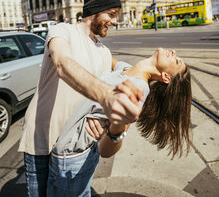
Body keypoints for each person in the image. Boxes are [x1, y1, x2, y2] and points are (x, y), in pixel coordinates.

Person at [18, 0, 144, 197]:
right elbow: (63, 64)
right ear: (95, 10)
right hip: (42, 135)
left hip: (74, 147)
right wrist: (106, 96)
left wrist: (100, 121)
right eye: (111, 14)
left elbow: (96, 94)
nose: (115, 21)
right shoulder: (62, 31)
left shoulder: (104, 51)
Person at [46, 47, 192, 197]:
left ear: (166, 77)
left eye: (176, 61)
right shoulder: (128, 69)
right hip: (71, 154)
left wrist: (118, 125)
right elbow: (106, 57)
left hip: (71, 160)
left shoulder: (137, 89)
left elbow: (106, 151)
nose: (173, 52)